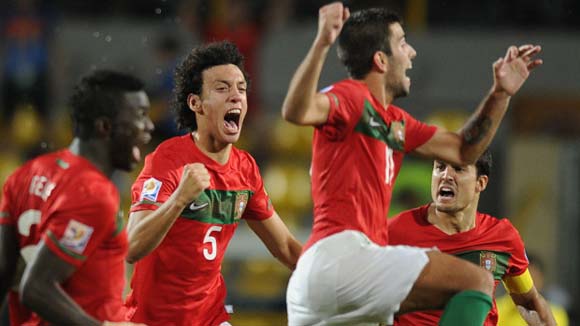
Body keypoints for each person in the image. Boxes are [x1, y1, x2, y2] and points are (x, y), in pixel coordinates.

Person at [281, 2, 542, 325]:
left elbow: (462, 151)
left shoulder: (396, 124)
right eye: (403, 43)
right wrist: (322, 43)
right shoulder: (352, 97)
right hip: (344, 255)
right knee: (477, 281)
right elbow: (297, 111)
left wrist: (500, 94)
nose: (412, 52)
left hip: (321, 282)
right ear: (380, 60)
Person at [124, 40, 302, 326]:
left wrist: (340, 284)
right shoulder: (167, 161)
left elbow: (286, 247)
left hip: (211, 318)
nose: (236, 97)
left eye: (241, 89)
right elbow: (132, 247)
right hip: (154, 320)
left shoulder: (245, 169)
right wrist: (179, 199)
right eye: (222, 88)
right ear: (196, 103)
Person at [0, 70, 153, 325]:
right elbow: (36, 288)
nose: (149, 126)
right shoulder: (92, 193)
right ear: (105, 126)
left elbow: (4, 273)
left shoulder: (26, 174)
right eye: (140, 116)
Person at [388, 151, 557, 325]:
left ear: (480, 182)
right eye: (440, 167)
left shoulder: (503, 238)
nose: (446, 176)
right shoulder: (394, 232)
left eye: (458, 169)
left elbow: (529, 303)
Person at [497, 253, 569, 326]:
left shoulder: (556, 313)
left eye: (534, 279)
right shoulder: (496, 308)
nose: (528, 287)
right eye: (523, 281)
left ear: (542, 280)